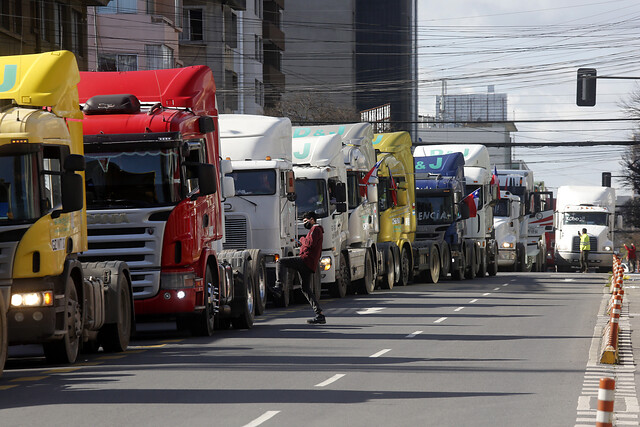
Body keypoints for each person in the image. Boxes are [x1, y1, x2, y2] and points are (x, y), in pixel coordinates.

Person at [274, 211, 326, 324]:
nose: (304, 223)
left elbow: (310, 243)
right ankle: (319, 314)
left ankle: (279, 286)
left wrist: (301, 240)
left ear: (312, 219)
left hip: (305, 261)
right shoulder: (315, 230)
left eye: (305, 221)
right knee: (305, 288)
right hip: (309, 263)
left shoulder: (315, 229)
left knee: (280, 262)